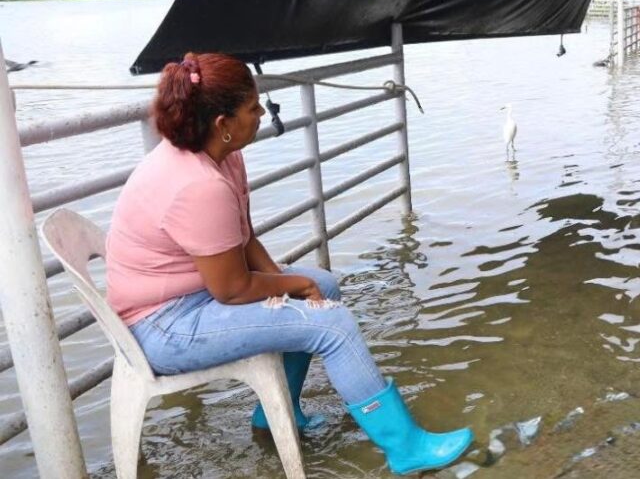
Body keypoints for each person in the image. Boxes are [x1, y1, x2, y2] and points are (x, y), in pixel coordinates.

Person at [105, 53, 472, 475]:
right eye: (253, 108)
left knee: (324, 286)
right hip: (160, 326)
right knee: (331, 325)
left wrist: (294, 283)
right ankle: (405, 447)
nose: (262, 114)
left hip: (191, 295)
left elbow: (241, 239)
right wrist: (291, 288)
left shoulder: (221, 155)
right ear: (223, 123)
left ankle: (276, 413)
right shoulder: (197, 185)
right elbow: (232, 289)